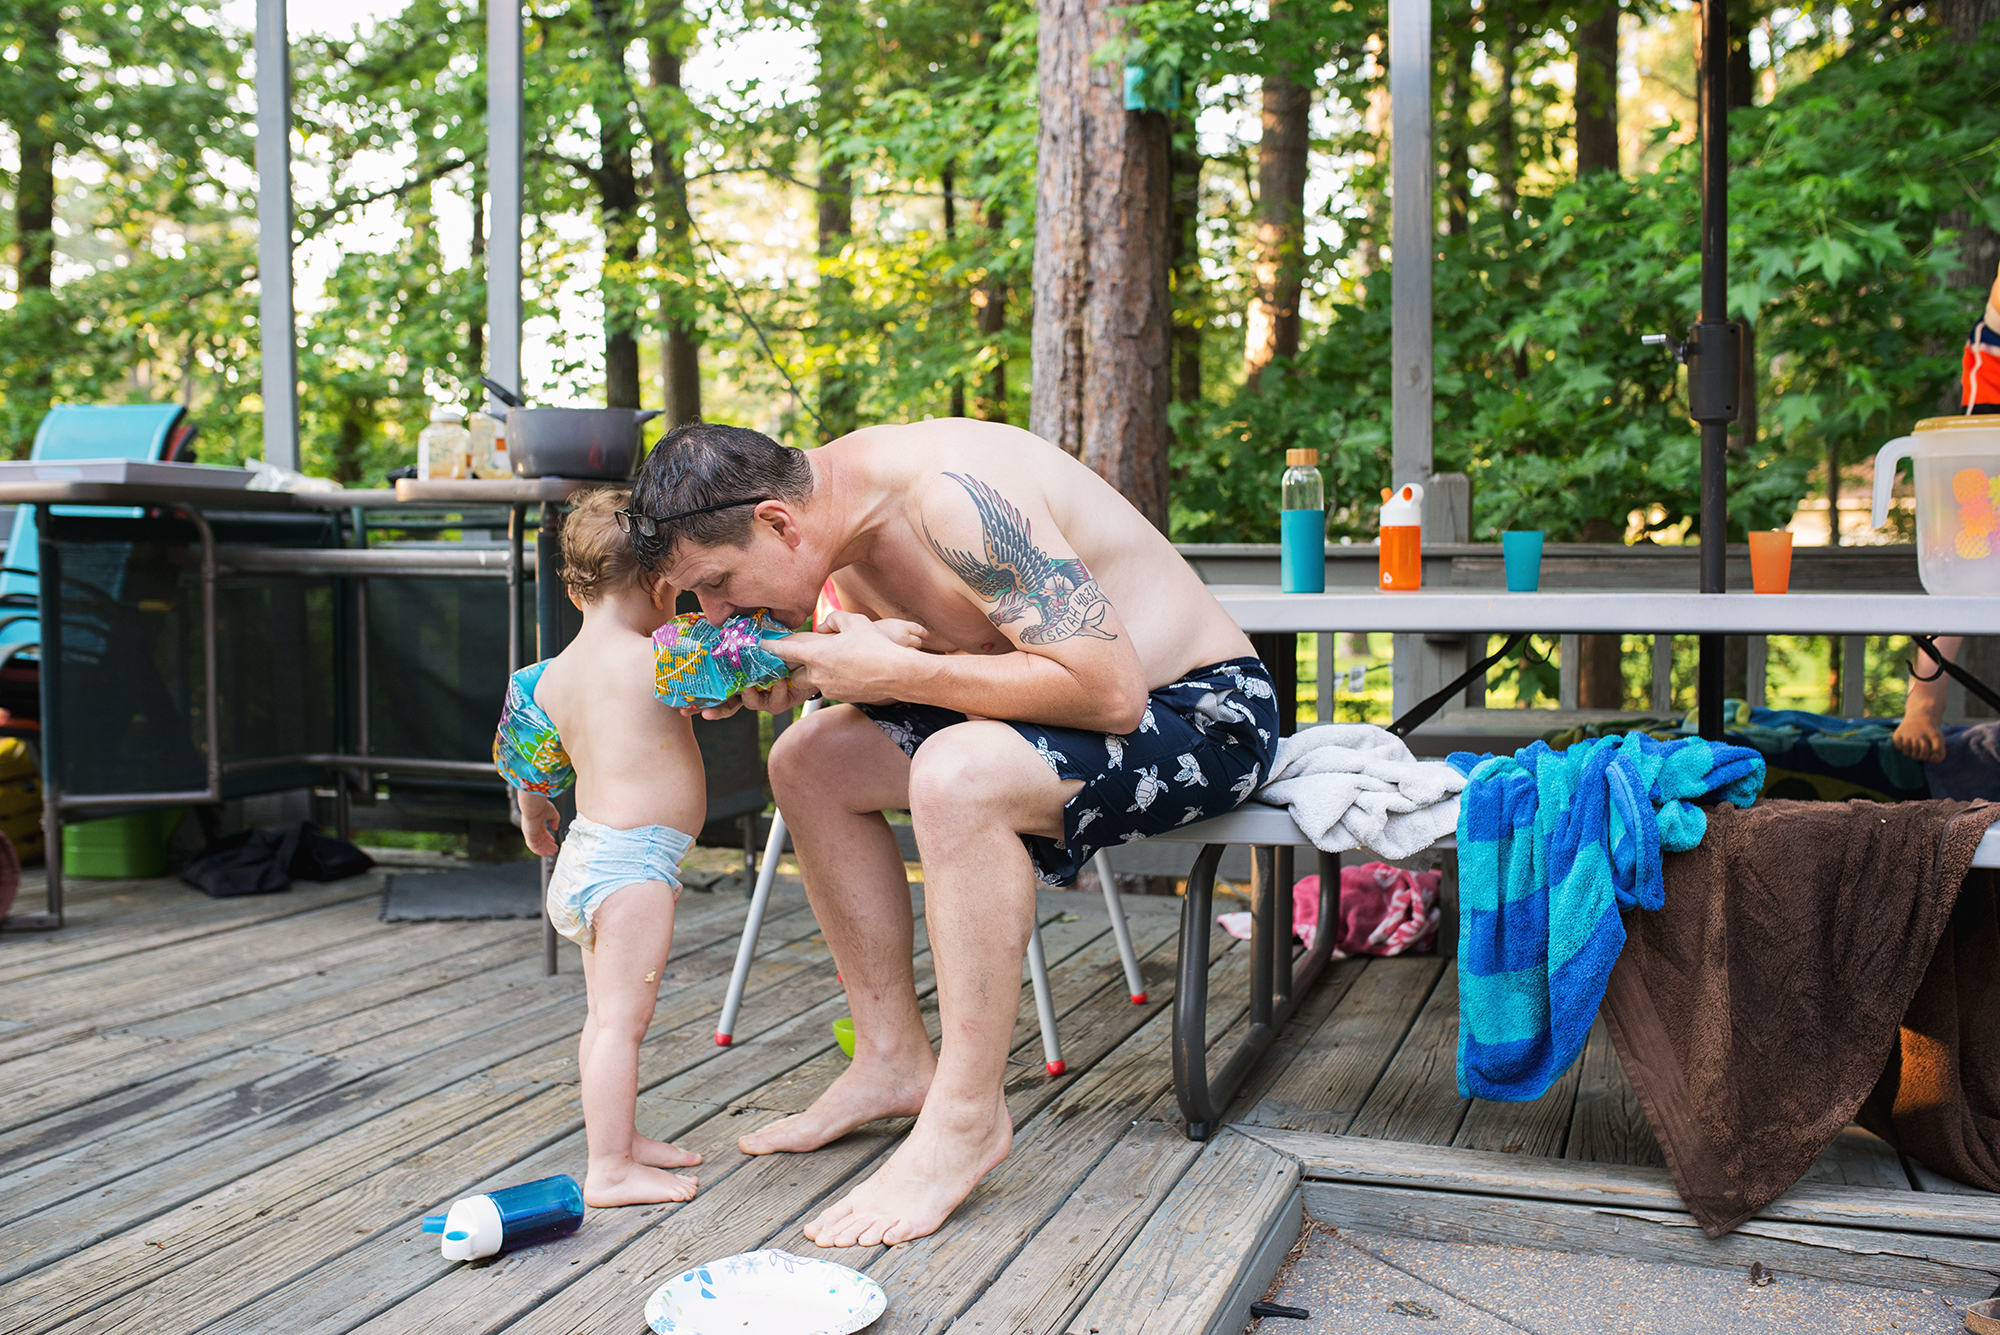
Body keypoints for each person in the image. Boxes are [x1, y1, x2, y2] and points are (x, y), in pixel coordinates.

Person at [626, 418, 1274, 1248]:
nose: (715, 611)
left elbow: (1113, 696)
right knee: (809, 760)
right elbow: (945, 656)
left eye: (717, 583)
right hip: (1072, 714)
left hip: (1200, 710)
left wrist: (896, 672)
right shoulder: (841, 531)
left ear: (777, 524)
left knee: (954, 773)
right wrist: (795, 673)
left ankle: (968, 1116)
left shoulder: (953, 499)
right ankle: (891, 1059)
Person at [493, 486, 705, 1207]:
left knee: (604, 1018)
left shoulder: (545, 678)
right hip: (634, 867)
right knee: (624, 1021)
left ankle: (619, 1139)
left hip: (586, 858)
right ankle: (610, 1167)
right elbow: (751, 660)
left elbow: (530, 770)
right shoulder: (664, 656)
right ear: (657, 582)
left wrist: (532, 817)